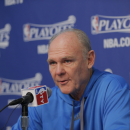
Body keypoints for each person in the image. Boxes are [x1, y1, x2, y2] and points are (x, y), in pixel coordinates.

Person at [12, 28, 130, 130]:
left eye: (67, 61)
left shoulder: (113, 88)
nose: (58, 71)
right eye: (52, 63)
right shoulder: (42, 99)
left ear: (89, 60)